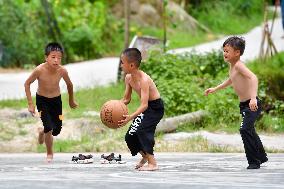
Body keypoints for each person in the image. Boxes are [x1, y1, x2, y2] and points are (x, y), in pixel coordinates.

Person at [204, 36, 268, 169]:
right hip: (244, 105)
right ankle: (261, 157)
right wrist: (215, 89)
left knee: (244, 129)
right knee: (249, 129)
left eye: (227, 51)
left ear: (237, 52)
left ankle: (254, 162)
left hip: (252, 104)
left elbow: (253, 77)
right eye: (224, 51)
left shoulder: (239, 65)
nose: (224, 53)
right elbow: (231, 80)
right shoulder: (232, 67)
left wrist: (253, 98)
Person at [24, 42, 78, 162]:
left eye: (59, 58)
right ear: (46, 57)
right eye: (53, 57)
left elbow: (70, 85)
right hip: (42, 101)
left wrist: (71, 100)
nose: (56, 60)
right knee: (49, 126)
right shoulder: (39, 70)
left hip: (56, 101)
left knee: (57, 129)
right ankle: (49, 153)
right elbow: (27, 83)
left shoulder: (62, 71)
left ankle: (41, 131)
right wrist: (30, 104)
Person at [118, 48, 164, 171]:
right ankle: (145, 156)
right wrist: (115, 105)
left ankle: (153, 163)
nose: (121, 65)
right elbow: (126, 99)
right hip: (146, 108)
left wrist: (130, 117)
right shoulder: (128, 78)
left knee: (142, 131)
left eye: (123, 62)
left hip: (155, 108)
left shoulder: (144, 80)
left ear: (131, 65)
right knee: (130, 136)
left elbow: (144, 105)